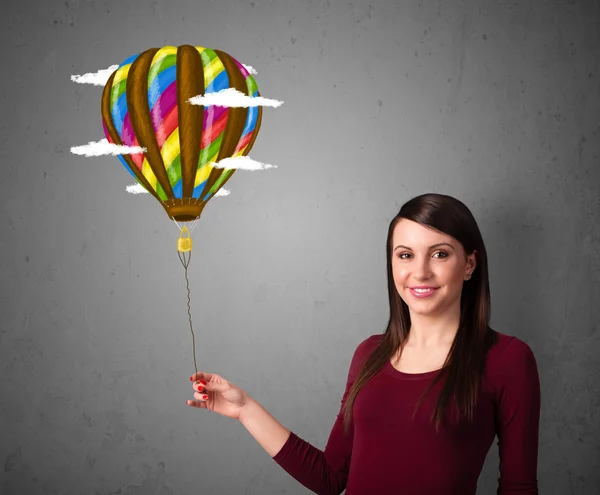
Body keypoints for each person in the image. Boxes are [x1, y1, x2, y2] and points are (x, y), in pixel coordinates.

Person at [185, 193, 541, 495]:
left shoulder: (507, 360)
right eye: (405, 255)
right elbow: (329, 477)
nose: (420, 272)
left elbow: (518, 488)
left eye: (440, 254)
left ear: (469, 264)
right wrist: (244, 408)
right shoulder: (370, 353)